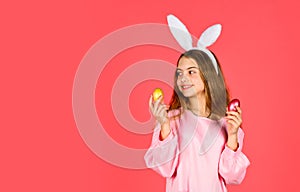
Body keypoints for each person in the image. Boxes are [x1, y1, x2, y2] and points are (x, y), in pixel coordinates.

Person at [144, 15, 250, 192]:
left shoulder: (227, 121)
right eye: (180, 73)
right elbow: (165, 168)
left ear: (208, 76)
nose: (183, 78)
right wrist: (164, 125)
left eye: (191, 72)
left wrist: (232, 136)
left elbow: (232, 176)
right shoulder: (171, 119)